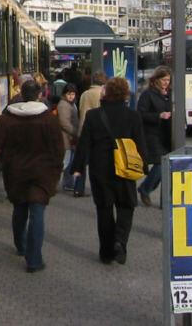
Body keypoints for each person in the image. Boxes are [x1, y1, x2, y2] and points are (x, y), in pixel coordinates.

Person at [71, 77, 148, 265]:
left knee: (104, 210)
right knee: (126, 206)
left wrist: (78, 167)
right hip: (125, 167)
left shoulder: (94, 116)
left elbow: (85, 144)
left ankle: (106, 252)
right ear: (124, 94)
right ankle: (120, 243)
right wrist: (144, 165)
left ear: (107, 93)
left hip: (101, 169)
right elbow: (140, 143)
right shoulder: (133, 116)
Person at [0, 79, 64, 273]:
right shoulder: (49, 119)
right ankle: (34, 260)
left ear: (22, 94)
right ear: (39, 94)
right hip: (42, 174)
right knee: (37, 213)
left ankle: (20, 246)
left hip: (15, 172)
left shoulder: (6, 118)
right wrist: (57, 170)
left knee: (20, 209)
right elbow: (59, 149)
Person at [136, 66, 172, 207]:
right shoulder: (148, 94)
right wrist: (158, 116)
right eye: (163, 80)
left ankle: (146, 188)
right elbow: (141, 114)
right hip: (152, 134)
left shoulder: (170, 94)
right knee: (160, 163)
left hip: (167, 134)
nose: (166, 83)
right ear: (156, 80)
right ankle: (145, 188)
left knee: (164, 165)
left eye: (168, 80)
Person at [75, 71, 107, 197]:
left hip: (83, 129)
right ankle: (99, 188)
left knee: (82, 160)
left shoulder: (84, 94)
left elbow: (80, 110)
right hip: (97, 131)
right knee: (98, 162)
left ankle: (78, 188)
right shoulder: (102, 94)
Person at [57, 83, 79, 193]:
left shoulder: (71, 104)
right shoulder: (64, 105)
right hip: (66, 138)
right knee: (64, 162)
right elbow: (64, 123)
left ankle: (68, 183)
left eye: (73, 94)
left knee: (69, 162)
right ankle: (56, 182)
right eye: (69, 94)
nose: (71, 96)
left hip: (69, 138)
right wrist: (76, 132)